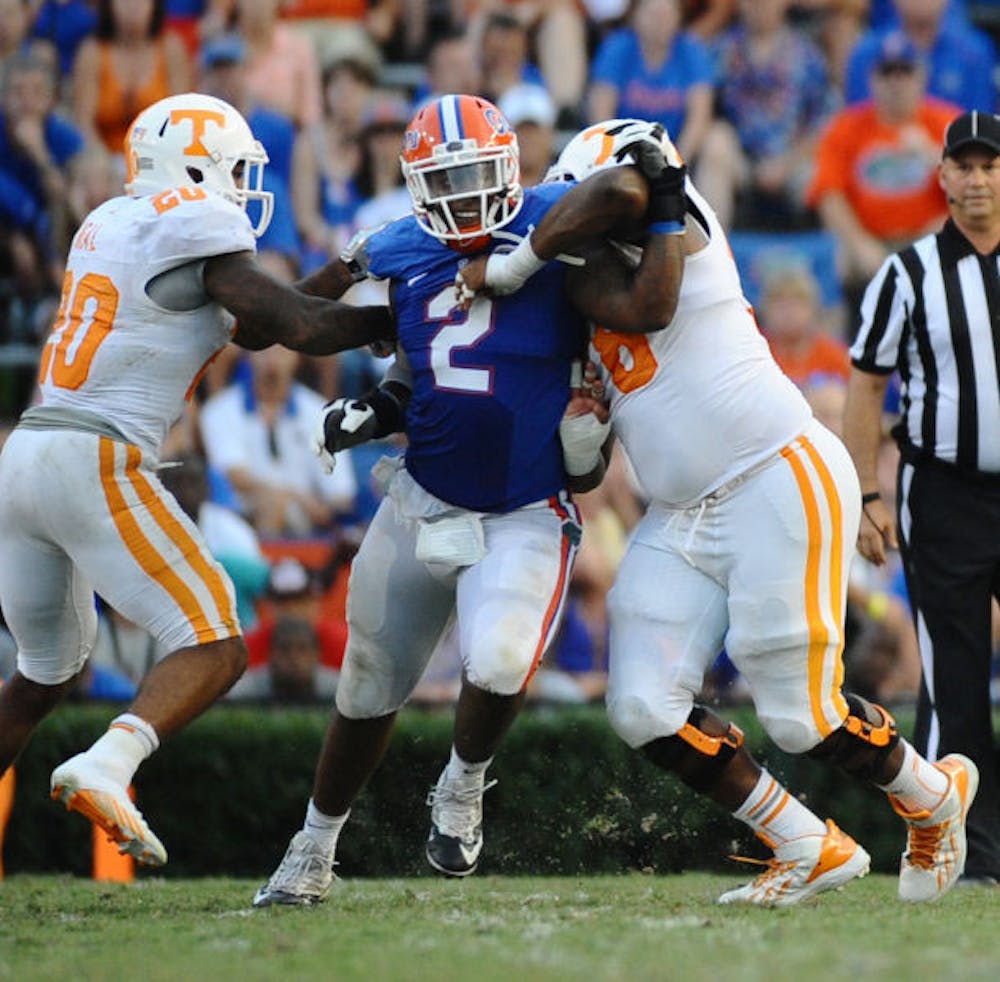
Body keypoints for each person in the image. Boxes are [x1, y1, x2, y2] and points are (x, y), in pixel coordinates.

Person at [455, 117, 979, 906]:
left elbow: (629, 199)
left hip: (774, 475)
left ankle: (933, 798)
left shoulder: (674, 219)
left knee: (802, 717)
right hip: (681, 512)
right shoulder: (583, 292)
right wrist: (582, 426)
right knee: (640, 704)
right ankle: (803, 841)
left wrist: (522, 254)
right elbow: (590, 467)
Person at [252, 95, 687, 906]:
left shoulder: (551, 218)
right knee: (366, 685)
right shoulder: (400, 245)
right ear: (413, 186)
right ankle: (311, 848)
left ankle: (463, 780)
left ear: (511, 168)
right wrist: (374, 382)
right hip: (422, 495)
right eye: (442, 182)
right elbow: (356, 330)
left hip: (525, 506)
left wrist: (564, 241)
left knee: (499, 659)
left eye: (474, 176)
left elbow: (630, 191)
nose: (460, 198)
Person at [0, 92, 394, 868]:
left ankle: (101, 756)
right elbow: (297, 328)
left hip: (26, 456)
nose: (245, 187)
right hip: (95, 457)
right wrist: (398, 319)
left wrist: (347, 267)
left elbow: (250, 322)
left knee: (45, 674)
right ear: (194, 165)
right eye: (236, 169)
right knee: (215, 643)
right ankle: (109, 761)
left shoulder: (111, 220)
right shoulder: (195, 221)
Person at [842, 109, 1000, 887]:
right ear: (941, 177)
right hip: (943, 492)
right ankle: (966, 853)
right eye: (963, 166)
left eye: (989, 165)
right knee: (954, 674)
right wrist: (869, 492)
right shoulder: (906, 274)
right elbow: (866, 386)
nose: (976, 179)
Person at [806, 31, 959, 323]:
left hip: (930, 236)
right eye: (887, 72)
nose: (895, 82)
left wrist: (935, 157)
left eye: (905, 71)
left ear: (921, 77)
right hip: (870, 240)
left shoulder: (948, 123)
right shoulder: (846, 127)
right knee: (835, 258)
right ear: (872, 80)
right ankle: (834, 356)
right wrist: (858, 242)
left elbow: (979, 189)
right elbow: (828, 195)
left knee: (965, 241)